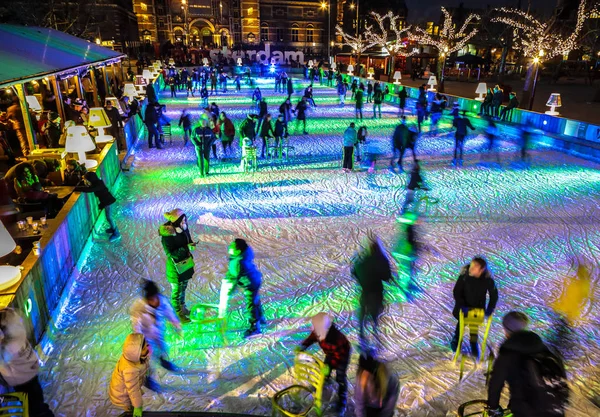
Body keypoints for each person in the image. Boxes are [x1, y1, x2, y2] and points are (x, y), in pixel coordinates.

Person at [487, 311, 569, 417]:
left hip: (528, 411)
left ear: (506, 330)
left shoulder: (507, 354)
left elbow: (495, 384)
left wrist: (493, 408)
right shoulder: (542, 348)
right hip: (556, 410)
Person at [0, 308, 55, 417]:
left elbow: (5, 357)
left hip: (21, 376)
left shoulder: (8, 341)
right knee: (36, 403)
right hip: (29, 368)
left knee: (34, 408)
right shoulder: (10, 315)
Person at [297, 313, 351, 414]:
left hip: (342, 356)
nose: (312, 327)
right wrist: (303, 346)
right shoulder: (319, 332)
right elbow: (312, 337)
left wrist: (329, 365)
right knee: (326, 369)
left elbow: (338, 357)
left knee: (340, 376)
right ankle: (325, 379)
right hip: (330, 353)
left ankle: (342, 399)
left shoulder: (336, 339)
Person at [130, 280, 182, 376]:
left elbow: (169, 312)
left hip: (158, 330)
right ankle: (146, 376)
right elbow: (136, 324)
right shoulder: (139, 307)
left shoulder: (162, 301)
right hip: (146, 334)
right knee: (147, 356)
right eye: (150, 299)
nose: (153, 301)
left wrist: (176, 323)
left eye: (154, 297)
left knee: (163, 347)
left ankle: (163, 360)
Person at [451, 256, 498, 358]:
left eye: (475, 267)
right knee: (461, 325)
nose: (471, 268)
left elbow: (494, 294)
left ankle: (473, 345)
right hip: (463, 308)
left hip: (477, 308)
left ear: (481, 270)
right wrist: (462, 304)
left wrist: (490, 308)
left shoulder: (487, 280)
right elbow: (457, 291)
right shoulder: (464, 276)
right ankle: (456, 341)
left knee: (474, 328)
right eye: (471, 265)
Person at [218, 238, 265, 338]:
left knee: (251, 304)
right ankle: (261, 317)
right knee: (255, 300)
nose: (230, 248)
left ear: (238, 250)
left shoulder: (239, 262)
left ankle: (255, 327)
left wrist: (230, 290)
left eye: (232, 247)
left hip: (250, 283)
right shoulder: (244, 253)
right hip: (255, 278)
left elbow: (235, 277)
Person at [352, 235, 392, 350]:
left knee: (362, 315)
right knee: (374, 316)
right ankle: (375, 337)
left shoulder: (361, 260)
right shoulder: (382, 260)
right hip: (377, 293)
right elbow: (387, 277)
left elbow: (354, 272)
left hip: (365, 292)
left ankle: (362, 337)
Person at [160, 208, 196, 322]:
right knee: (177, 291)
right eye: (182, 220)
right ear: (176, 221)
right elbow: (170, 253)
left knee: (183, 288)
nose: (184, 223)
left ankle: (183, 308)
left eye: (185, 220)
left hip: (185, 265)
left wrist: (191, 244)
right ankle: (177, 314)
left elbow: (188, 240)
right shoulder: (167, 235)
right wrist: (185, 248)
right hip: (175, 268)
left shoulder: (184, 229)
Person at [549, 261, 591, 358]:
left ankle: (560, 350)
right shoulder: (580, 284)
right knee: (562, 330)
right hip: (566, 311)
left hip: (566, 312)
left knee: (561, 330)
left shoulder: (579, 284)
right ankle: (560, 349)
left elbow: (573, 297)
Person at [108, 333, 151, 417]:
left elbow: (143, 362)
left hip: (127, 387)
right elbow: (133, 391)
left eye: (146, 345)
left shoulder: (135, 357)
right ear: (136, 352)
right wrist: (138, 407)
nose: (147, 348)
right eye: (144, 348)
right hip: (122, 395)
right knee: (130, 409)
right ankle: (130, 411)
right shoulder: (130, 370)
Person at [75, 171, 120, 242]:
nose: (86, 181)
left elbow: (90, 189)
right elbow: (89, 188)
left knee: (109, 217)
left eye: (87, 179)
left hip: (108, 202)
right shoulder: (97, 183)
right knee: (109, 217)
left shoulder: (98, 184)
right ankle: (113, 228)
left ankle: (117, 234)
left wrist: (77, 188)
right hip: (106, 202)